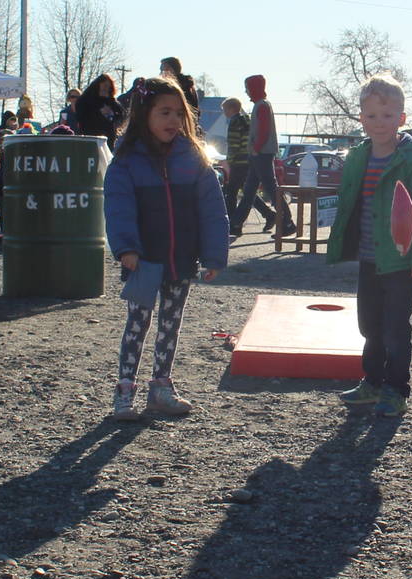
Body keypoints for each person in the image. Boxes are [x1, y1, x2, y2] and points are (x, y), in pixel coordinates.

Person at [101, 78, 229, 421]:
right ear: (145, 115)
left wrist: (214, 255)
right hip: (143, 259)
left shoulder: (194, 158)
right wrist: (126, 247)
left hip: (182, 258)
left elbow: (212, 210)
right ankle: (125, 388)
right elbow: (118, 206)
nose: (172, 120)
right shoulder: (127, 162)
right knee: (137, 324)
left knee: (170, 325)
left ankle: (161, 387)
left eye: (178, 113)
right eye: (164, 112)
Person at [327, 74, 412, 419]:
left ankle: (396, 389)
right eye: (372, 116)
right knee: (369, 326)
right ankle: (372, 382)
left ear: (401, 118)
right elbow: (349, 203)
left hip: (400, 261)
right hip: (369, 258)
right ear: (361, 118)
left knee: (395, 328)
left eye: (388, 115)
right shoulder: (358, 158)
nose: (380, 123)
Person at [229, 73, 282, 237]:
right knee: (249, 190)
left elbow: (264, 131)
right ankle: (236, 223)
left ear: (254, 89)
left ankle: (286, 221)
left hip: (262, 154)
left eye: (247, 88)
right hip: (258, 154)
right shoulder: (260, 105)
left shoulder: (262, 106)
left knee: (270, 189)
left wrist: (256, 148)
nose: (246, 92)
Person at [75, 73, 123, 145]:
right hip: (90, 137)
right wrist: (98, 112)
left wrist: (111, 113)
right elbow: (81, 117)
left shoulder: (112, 102)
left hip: (108, 139)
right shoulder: (86, 100)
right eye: (104, 85)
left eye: (108, 86)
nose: (106, 89)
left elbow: (121, 116)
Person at [221, 96, 252, 206]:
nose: (224, 113)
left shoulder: (234, 122)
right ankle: (268, 214)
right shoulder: (245, 121)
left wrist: (229, 160)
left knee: (231, 191)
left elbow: (234, 144)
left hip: (238, 162)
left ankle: (232, 218)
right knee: (248, 191)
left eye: (225, 110)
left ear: (231, 109)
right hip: (247, 160)